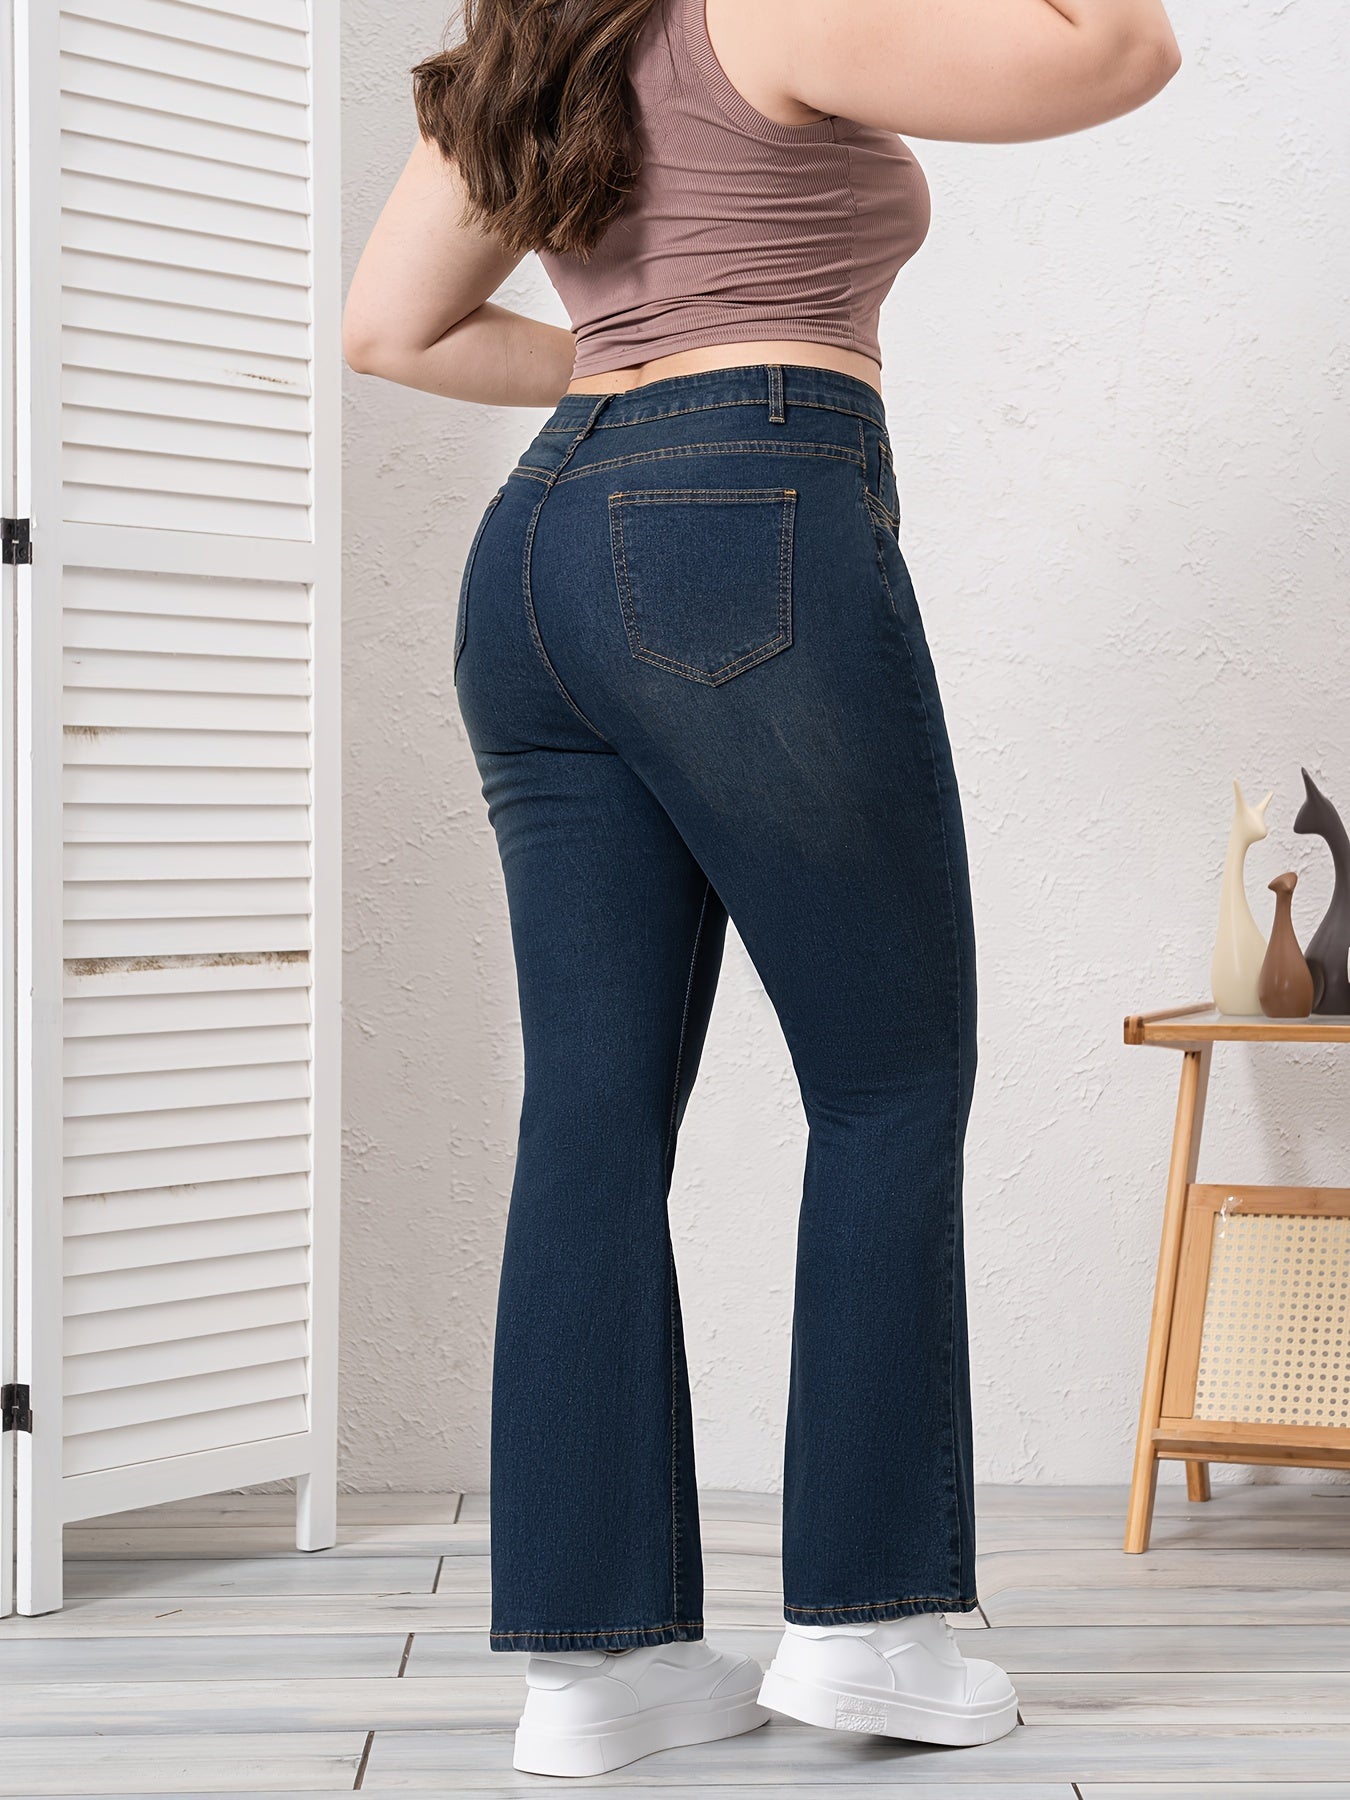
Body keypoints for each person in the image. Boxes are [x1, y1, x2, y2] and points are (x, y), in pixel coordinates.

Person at [344, 0, 1181, 1776]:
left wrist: (619, 370)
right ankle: (872, 1628)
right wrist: (703, 394)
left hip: (534, 560)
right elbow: (1119, 50)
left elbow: (389, 330)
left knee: (588, 1108)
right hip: (743, 516)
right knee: (886, 1082)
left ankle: (599, 1673)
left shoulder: (524, 51)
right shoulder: (768, 6)